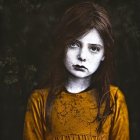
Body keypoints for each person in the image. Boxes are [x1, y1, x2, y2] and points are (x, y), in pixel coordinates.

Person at [23, 1, 129, 140]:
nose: (82, 56)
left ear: (104, 54)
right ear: (63, 45)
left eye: (94, 49)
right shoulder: (40, 101)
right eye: (74, 44)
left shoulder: (114, 100)